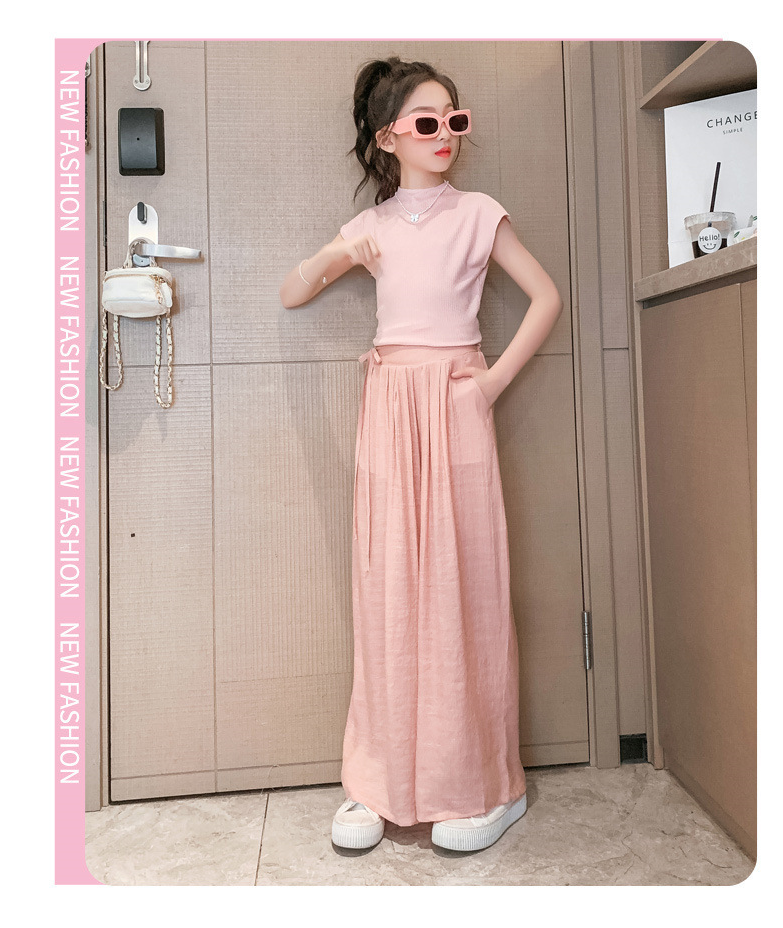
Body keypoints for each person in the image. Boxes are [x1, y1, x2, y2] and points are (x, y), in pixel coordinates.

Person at [279, 56, 563, 853]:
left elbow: (546, 297)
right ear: (388, 138)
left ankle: (489, 785)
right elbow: (294, 291)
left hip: (454, 400)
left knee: (466, 587)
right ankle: (377, 783)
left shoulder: (478, 213)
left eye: (455, 121)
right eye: (427, 122)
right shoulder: (371, 228)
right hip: (388, 406)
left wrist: (489, 385)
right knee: (388, 589)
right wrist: (333, 257)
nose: (446, 135)